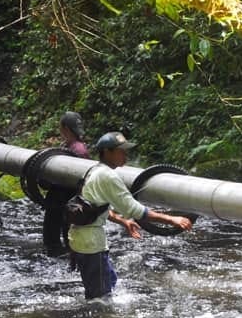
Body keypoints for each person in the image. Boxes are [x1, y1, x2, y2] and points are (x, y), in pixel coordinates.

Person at [69, 131, 193, 300]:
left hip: (81, 240)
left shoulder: (94, 170)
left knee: (109, 282)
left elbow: (92, 206)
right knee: (99, 299)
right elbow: (135, 210)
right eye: (121, 151)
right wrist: (171, 219)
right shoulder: (107, 176)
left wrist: (122, 221)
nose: (126, 154)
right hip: (91, 244)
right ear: (107, 152)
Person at [40, 111, 91, 256]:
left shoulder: (78, 150)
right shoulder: (70, 146)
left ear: (65, 129)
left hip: (65, 199)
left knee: (59, 238)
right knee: (58, 236)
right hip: (62, 199)